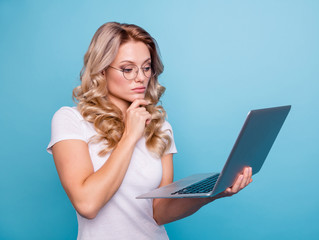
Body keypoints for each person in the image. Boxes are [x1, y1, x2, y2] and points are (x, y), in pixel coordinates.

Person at [47, 22, 253, 240]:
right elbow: (87, 205)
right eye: (128, 69)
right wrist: (130, 135)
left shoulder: (160, 126)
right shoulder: (71, 120)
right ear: (102, 70)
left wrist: (212, 194)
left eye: (146, 67)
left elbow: (159, 212)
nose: (141, 77)